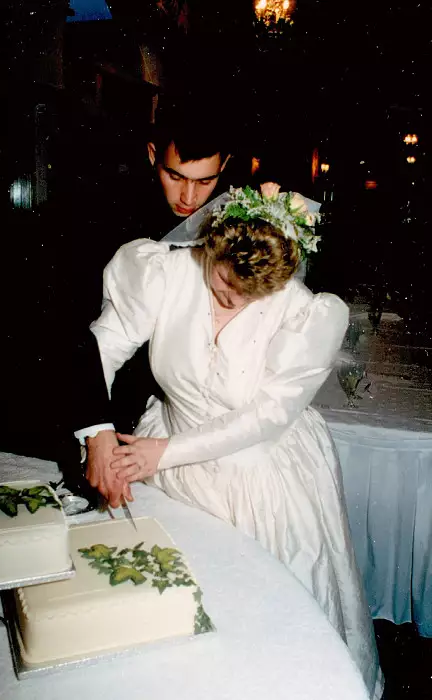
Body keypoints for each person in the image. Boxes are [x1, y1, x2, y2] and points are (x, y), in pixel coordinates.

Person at [88, 183, 383, 698]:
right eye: (223, 285)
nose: (230, 300)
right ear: (212, 247)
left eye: (249, 296)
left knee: (260, 627)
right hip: (168, 446)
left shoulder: (307, 311)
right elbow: (102, 348)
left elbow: (267, 416)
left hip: (258, 471)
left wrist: (167, 453)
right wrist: (96, 432)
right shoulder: (164, 271)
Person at [71, 95, 235, 498]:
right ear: (151, 156)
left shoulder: (239, 222)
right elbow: (77, 331)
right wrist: (97, 428)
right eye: (175, 177)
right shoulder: (106, 215)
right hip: (113, 400)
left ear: (225, 167)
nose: (189, 198)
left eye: (205, 182)